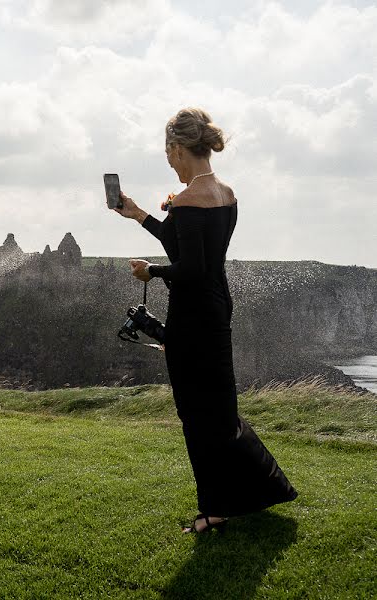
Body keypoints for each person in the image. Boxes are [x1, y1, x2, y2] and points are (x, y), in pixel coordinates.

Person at [111, 107, 297, 533]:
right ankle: (263, 489)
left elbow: (189, 268)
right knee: (219, 409)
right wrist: (139, 214)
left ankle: (213, 510)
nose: (171, 164)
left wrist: (150, 272)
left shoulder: (190, 199)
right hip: (216, 306)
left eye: (169, 155)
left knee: (196, 415)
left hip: (194, 312)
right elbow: (190, 252)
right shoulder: (224, 193)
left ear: (179, 148)